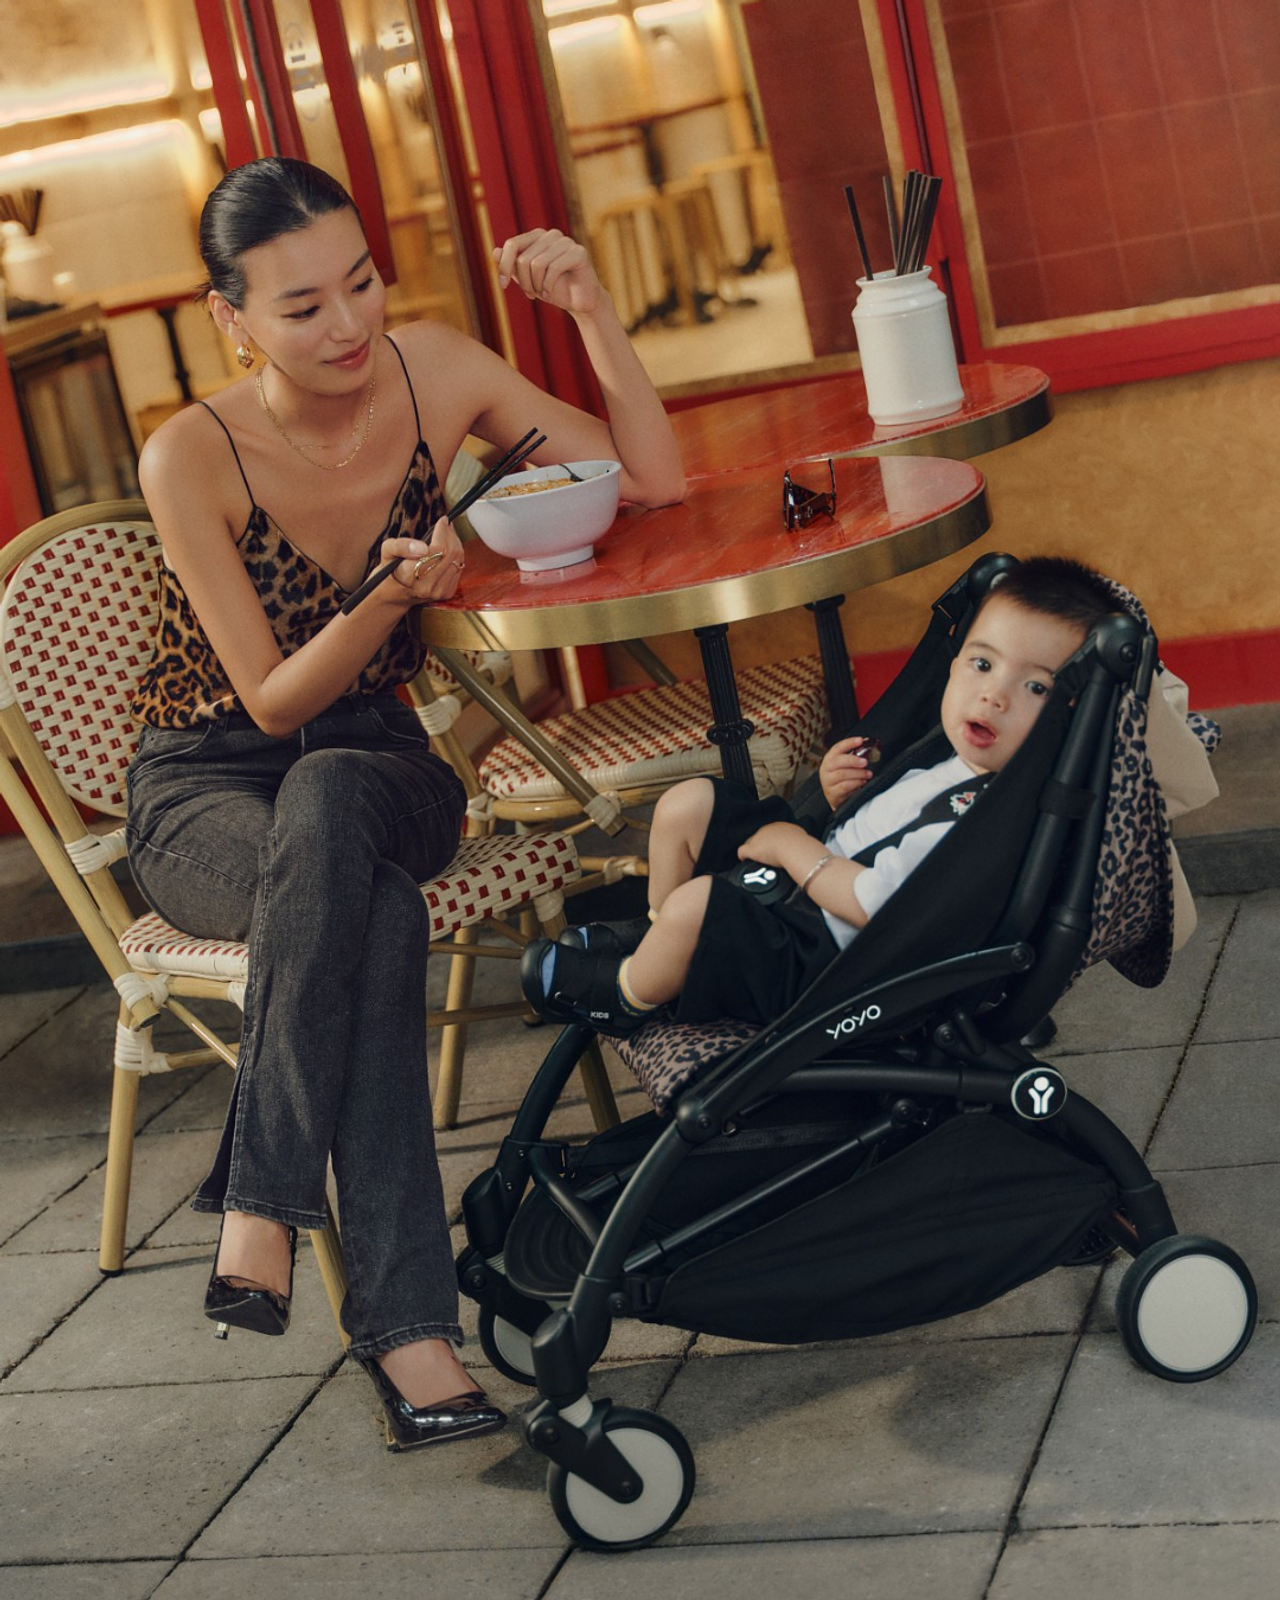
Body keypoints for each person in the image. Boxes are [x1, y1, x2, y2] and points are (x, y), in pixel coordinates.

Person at [125, 156, 684, 1451]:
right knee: (361, 914)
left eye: (362, 283)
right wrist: (388, 594)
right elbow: (266, 703)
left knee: (336, 799)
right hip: (205, 788)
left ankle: (260, 1196)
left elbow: (644, 481)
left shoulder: (439, 367)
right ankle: (411, 1342)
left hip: (384, 763)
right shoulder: (188, 456)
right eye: (303, 306)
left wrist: (594, 310)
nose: (351, 326)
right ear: (232, 319)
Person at [522, 558, 1117, 1037]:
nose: (995, 696)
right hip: (801, 888)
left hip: (823, 963)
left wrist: (789, 845)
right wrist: (838, 799)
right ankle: (661, 941)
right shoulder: (949, 759)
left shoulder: (981, 820)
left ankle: (628, 994)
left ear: (1069, 714)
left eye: (1035, 685)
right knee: (690, 804)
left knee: (702, 903)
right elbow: (876, 827)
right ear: (954, 665)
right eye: (982, 664)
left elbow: (872, 902)